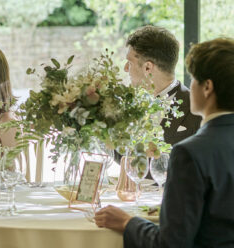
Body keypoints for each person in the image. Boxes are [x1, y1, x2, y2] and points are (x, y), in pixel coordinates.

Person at [95, 37, 234, 246]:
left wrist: (127, 222)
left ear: (207, 87)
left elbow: (171, 243)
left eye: (193, 79)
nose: (190, 86)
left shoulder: (190, 153)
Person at [124, 25, 201, 145]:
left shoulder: (197, 111)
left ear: (148, 67)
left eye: (130, 63)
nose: (125, 68)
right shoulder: (126, 105)